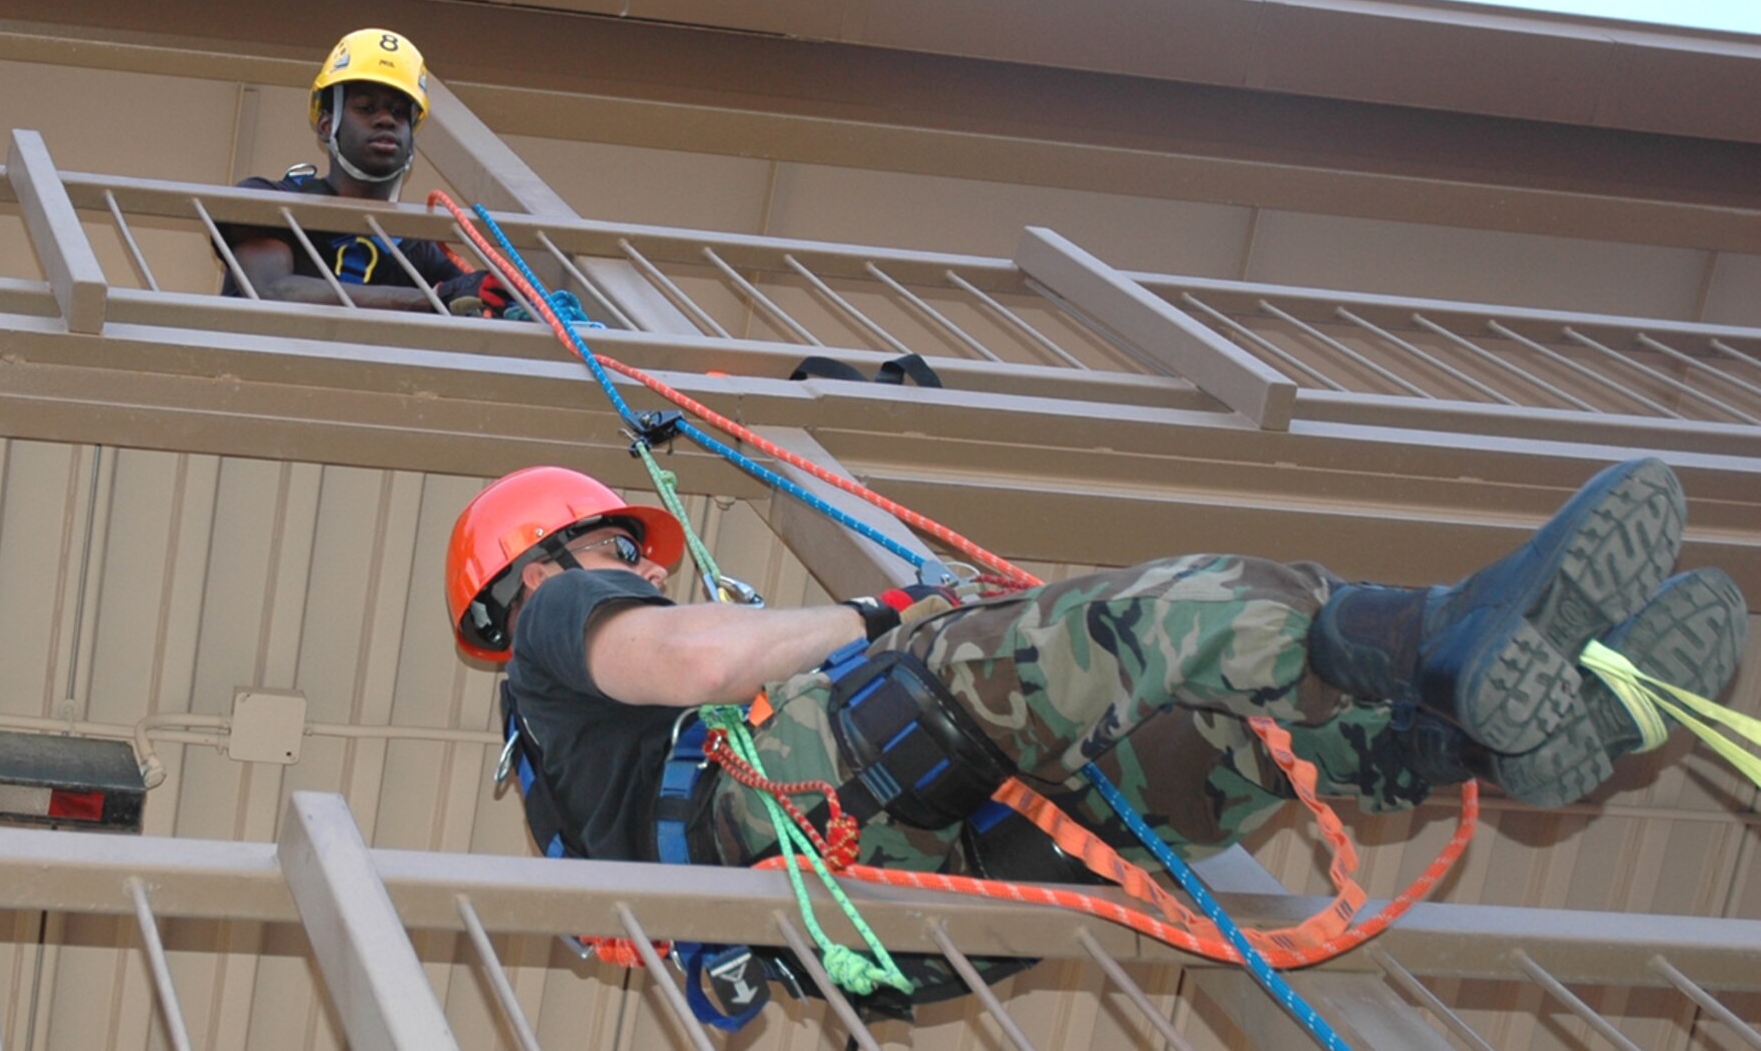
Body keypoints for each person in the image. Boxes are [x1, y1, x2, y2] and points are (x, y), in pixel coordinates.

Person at [445, 457, 1747, 886]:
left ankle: (1461, 740)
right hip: (828, 774)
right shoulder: (563, 626)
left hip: (913, 855)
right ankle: (1446, 633)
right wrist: (874, 607)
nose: (634, 561)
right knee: (1148, 621)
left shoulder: (563, 774)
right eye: (618, 543)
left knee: (1214, 746)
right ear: (540, 565)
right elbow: (694, 654)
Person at [212, 27, 510, 315]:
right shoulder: (268, 200)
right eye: (367, 108)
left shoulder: (417, 250)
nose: (386, 120)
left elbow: (472, 297)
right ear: (327, 126)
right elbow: (272, 290)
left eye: (398, 113)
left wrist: (497, 299)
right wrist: (433, 298)